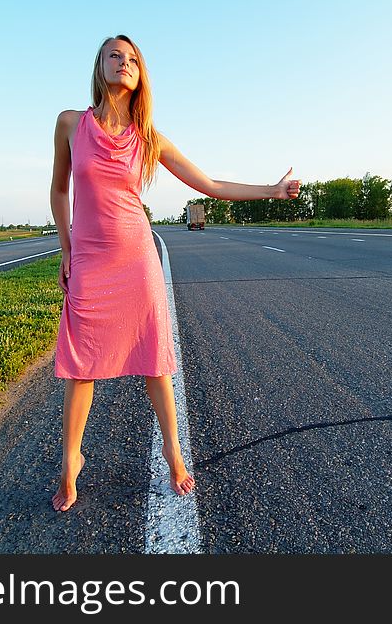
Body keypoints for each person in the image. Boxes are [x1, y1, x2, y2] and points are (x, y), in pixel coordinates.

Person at [49, 34, 301, 512]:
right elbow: (59, 192)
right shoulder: (69, 124)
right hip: (89, 258)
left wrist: (273, 188)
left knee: (154, 358)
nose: (124, 63)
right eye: (115, 56)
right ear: (99, 65)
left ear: (141, 76)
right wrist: (66, 247)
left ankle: (173, 450)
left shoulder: (149, 137)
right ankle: (71, 459)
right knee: (82, 366)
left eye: (133, 59)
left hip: (136, 261)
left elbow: (209, 184)